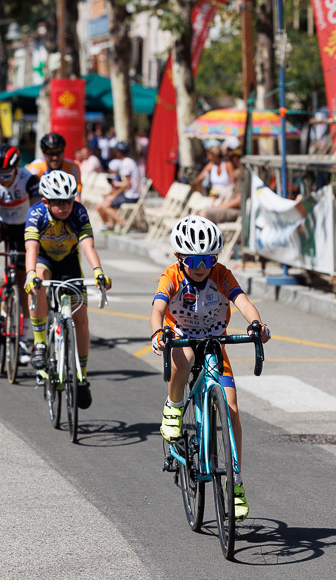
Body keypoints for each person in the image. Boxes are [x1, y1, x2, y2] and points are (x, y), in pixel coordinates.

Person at [148, 216, 272, 521]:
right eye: (193, 259)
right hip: (179, 334)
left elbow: (242, 302)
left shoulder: (222, 275)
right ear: (180, 258)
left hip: (214, 341)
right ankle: (174, 407)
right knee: (186, 356)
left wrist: (256, 324)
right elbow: (158, 309)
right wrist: (156, 333)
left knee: (230, 407)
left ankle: (236, 485)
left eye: (207, 258)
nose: (201, 265)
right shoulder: (172, 276)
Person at [24, 170, 112, 409]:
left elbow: (88, 246)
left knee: (81, 318)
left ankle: (82, 375)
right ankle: (41, 343)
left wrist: (98, 271)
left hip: (69, 263)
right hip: (44, 259)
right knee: (38, 281)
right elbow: (31, 249)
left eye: (69, 201)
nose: (64, 207)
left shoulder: (79, 212)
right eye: (58, 202)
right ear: (46, 201)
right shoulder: (36, 214)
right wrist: (31, 275)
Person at [0, 144, 40, 319]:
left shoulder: (29, 180)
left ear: (16, 168)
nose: (1, 178)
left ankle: (25, 333)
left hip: (23, 225)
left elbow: (38, 211)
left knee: (23, 280)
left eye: (6, 174)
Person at [95, 142, 141, 231]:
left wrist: (114, 195)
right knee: (101, 205)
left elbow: (126, 184)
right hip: (129, 193)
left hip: (131, 195)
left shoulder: (126, 163)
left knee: (105, 205)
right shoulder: (129, 162)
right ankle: (110, 225)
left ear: (118, 152)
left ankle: (122, 224)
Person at [26, 132, 82, 200]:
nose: (55, 158)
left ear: (63, 151)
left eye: (58, 153)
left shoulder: (73, 168)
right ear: (43, 153)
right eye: (51, 154)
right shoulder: (34, 169)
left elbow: (76, 198)